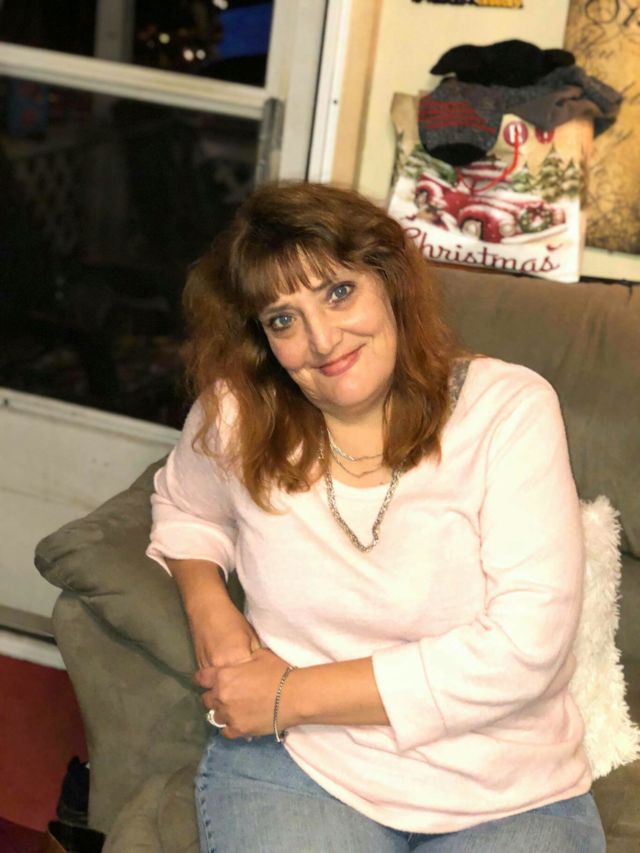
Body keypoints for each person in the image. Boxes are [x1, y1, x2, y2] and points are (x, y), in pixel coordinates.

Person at [146, 182, 606, 852]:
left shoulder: (507, 410)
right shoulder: (238, 413)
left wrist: (288, 695)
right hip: (301, 765)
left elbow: (524, 648)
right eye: (283, 319)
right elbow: (185, 507)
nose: (322, 340)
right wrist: (209, 608)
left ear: (389, 282)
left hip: (508, 789)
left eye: (338, 292)